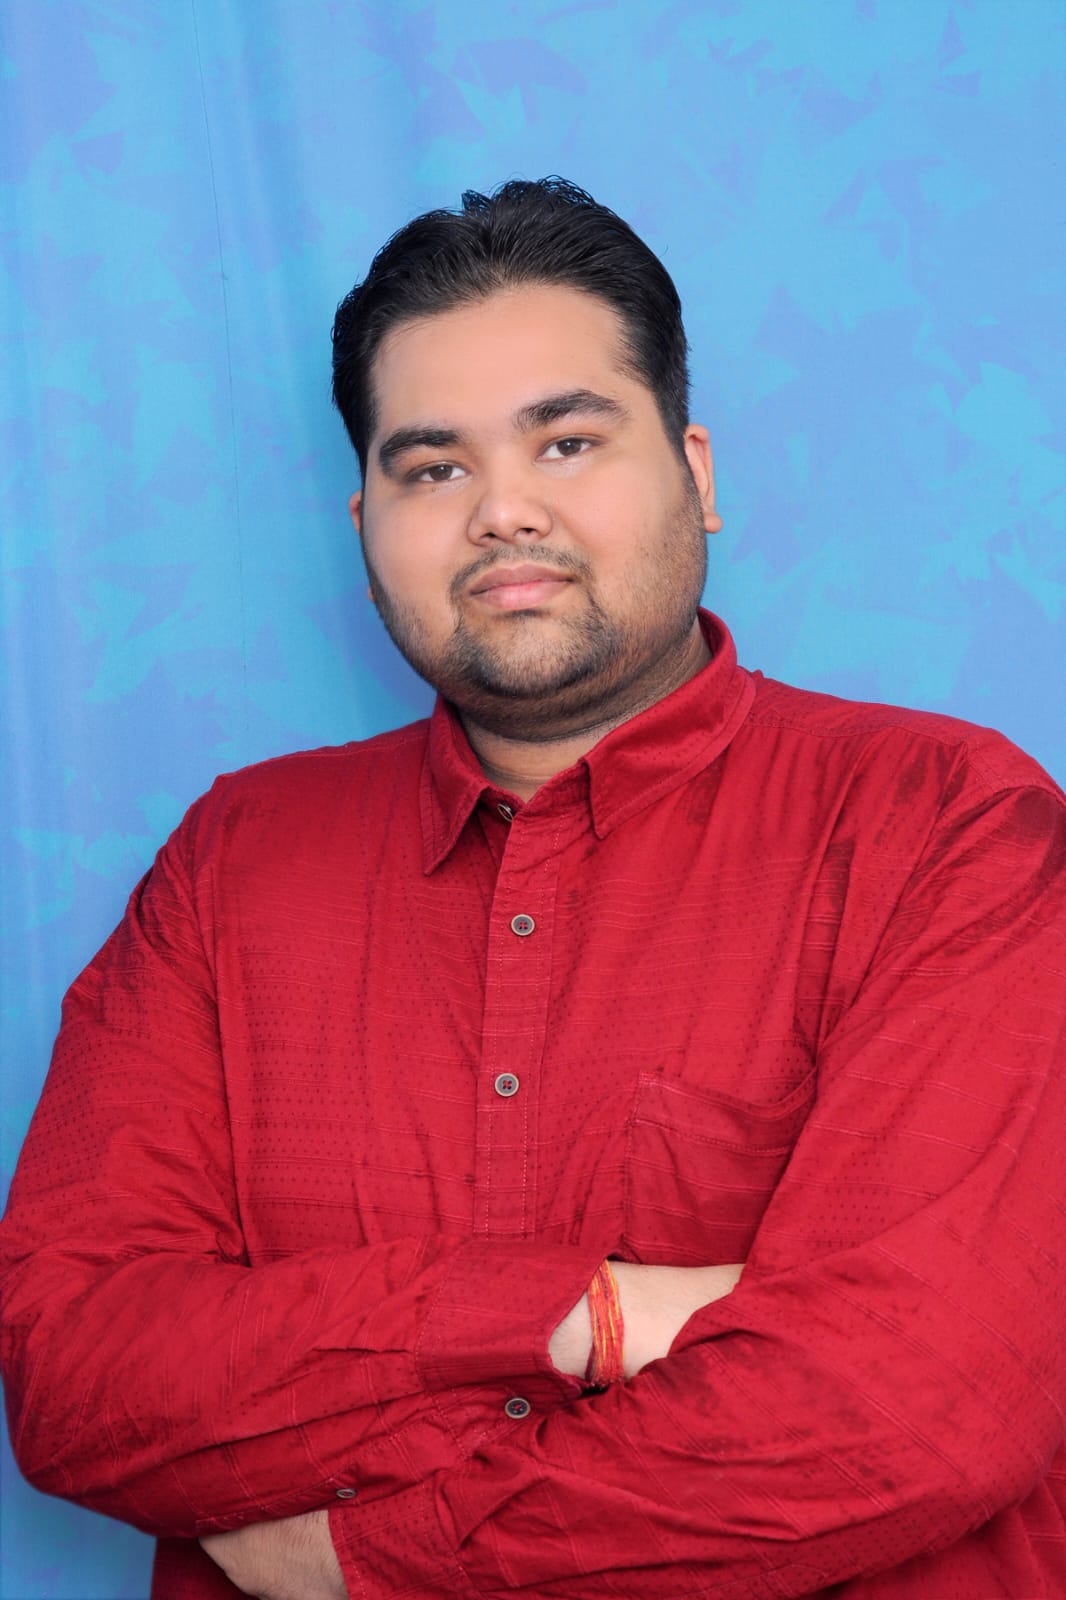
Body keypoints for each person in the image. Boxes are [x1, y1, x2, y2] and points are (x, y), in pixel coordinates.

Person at [2, 177, 1065, 1600]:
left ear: (694, 473)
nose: (503, 510)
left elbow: (911, 1409)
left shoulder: (949, 826)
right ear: (365, 521)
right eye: (432, 468)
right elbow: (72, 1379)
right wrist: (595, 1317)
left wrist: (356, 1551)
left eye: (567, 441)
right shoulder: (231, 862)